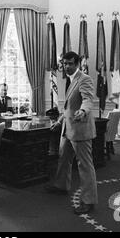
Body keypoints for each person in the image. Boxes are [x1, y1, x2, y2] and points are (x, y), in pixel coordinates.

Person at [45, 51, 98, 215]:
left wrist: (83, 111)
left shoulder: (84, 79)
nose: (66, 66)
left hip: (80, 129)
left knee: (85, 166)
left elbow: (88, 99)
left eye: (70, 64)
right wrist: (60, 121)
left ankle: (88, 201)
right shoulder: (70, 80)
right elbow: (68, 108)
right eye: (65, 63)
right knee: (64, 159)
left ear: (77, 64)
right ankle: (61, 186)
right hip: (67, 129)